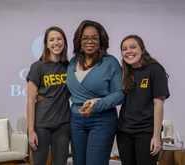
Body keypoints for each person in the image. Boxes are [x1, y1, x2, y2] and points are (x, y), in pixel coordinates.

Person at [66, 20, 126, 165]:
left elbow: (120, 94)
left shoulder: (110, 63)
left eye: (94, 38)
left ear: (101, 41)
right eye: (85, 38)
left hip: (102, 120)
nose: (89, 41)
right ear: (79, 41)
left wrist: (97, 105)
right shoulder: (72, 62)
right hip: (75, 119)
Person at [117, 35, 170, 165]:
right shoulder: (125, 72)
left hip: (146, 132)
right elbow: (118, 98)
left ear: (142, 49)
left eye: (133, 47)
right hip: (124, 132)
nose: (128, 51)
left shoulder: (155, 70)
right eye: (124, 49)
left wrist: (156, 137)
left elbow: (158, 104)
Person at [26, 26, 70, 165]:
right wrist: (31, 130)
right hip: (41, 125)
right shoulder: (38, 66)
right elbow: (31, 100)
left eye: (59, 39)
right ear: (46, 44)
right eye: (51, 39)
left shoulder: (69, 66)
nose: (56, 42)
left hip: (62, 125)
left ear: (64, 42)